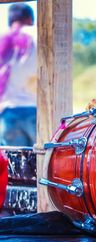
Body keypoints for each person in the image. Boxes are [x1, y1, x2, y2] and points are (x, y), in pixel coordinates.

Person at [0, 3, 36, 146]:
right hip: (35, 110)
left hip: (8, 112)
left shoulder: (4, 39)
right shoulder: (37, 36)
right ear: (29, 19)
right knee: (39, 163)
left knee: (12, 165)